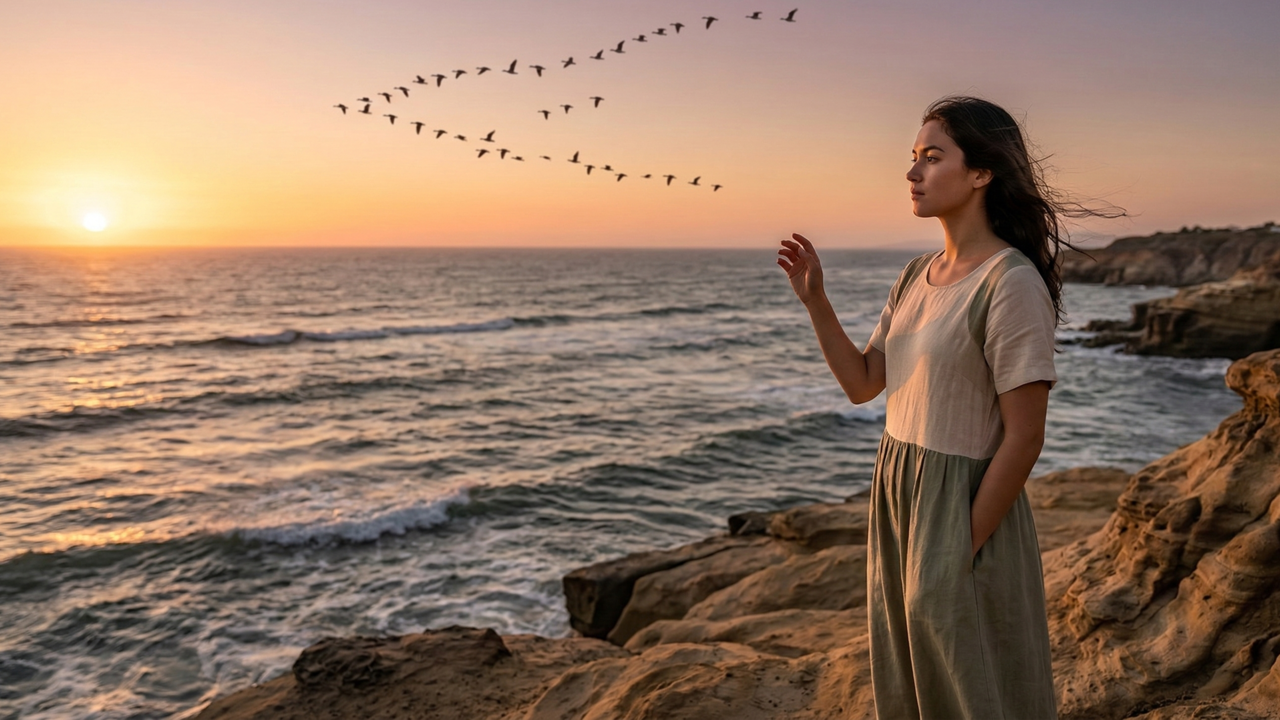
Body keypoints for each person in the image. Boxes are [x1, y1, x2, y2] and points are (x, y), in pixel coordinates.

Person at [777, 95, 1121, 719]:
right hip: (899, 489)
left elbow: (1024, 438)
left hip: (962, 500)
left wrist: (956, 547)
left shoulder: (1009, 282)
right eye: (912, 158)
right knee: (914, 683)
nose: (913, 172)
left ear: (982, 172)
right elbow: (862, 384)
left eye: (932, 157)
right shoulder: (915, 275)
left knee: (976, 684)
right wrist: (815, 302)